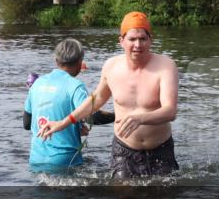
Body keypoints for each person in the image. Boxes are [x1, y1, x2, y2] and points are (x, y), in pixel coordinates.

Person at [39, 12, 179, 178]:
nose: (138, 44)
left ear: (150, 40)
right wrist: (63, 122)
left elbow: (170, 111)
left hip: (160, 149)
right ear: (121, 41)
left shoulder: (166, 66)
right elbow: (96, 100)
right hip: (124, 149)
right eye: (132, 39)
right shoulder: (111, 67)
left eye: (142, 39)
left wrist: (140, 118)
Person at [24, 39, 114, 172]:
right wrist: (119, 116)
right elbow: (92, 116)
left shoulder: (37, 83)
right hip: (65, 160)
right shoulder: (75, 86)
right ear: (79, 62)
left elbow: (27, 124)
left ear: (56, 60)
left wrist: (75, 126)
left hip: (36, 159)